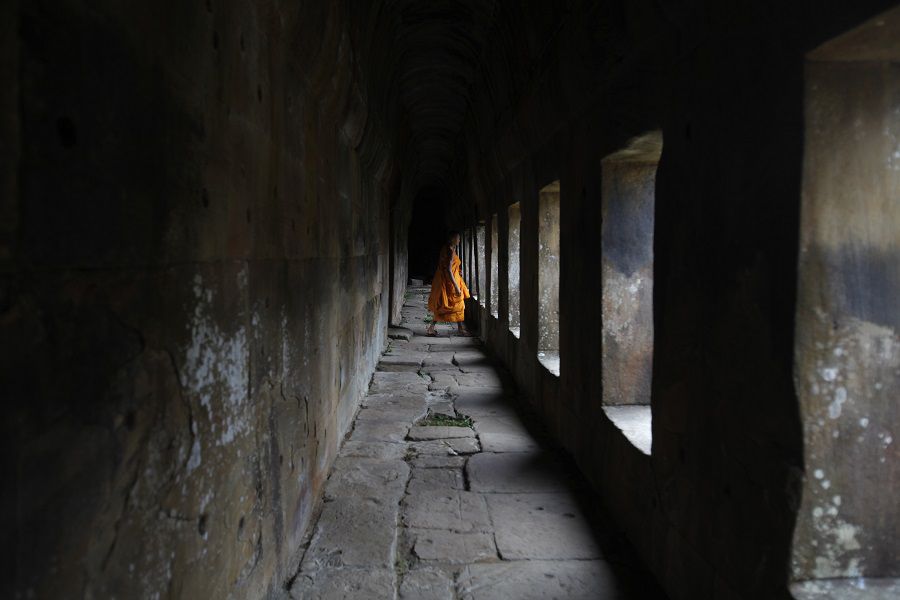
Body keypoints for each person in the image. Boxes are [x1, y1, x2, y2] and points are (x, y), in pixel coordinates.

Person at [426, 231, 472, 336]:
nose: (459, 240)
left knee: (443, 305)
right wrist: (456, 286)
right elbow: (449, 270)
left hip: (447, 280)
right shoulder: (450, 251)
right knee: (458, 305)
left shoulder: (445, 248)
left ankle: (432, 328)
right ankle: (459, 329)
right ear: (452, 239)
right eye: (458, 238)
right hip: (451, 282)